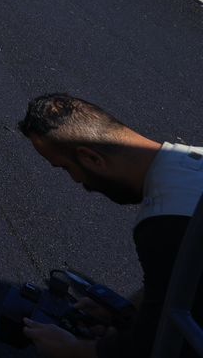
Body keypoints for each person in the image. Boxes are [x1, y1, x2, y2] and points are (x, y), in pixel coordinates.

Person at [16, 93, 203, 358]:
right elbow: (177, 283)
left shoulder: (165, 222)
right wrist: (129, 308)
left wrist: (76, 350)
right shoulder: (194, 162)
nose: (76, 181)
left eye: (66, 168)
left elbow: (152, 344)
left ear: (92, 159)